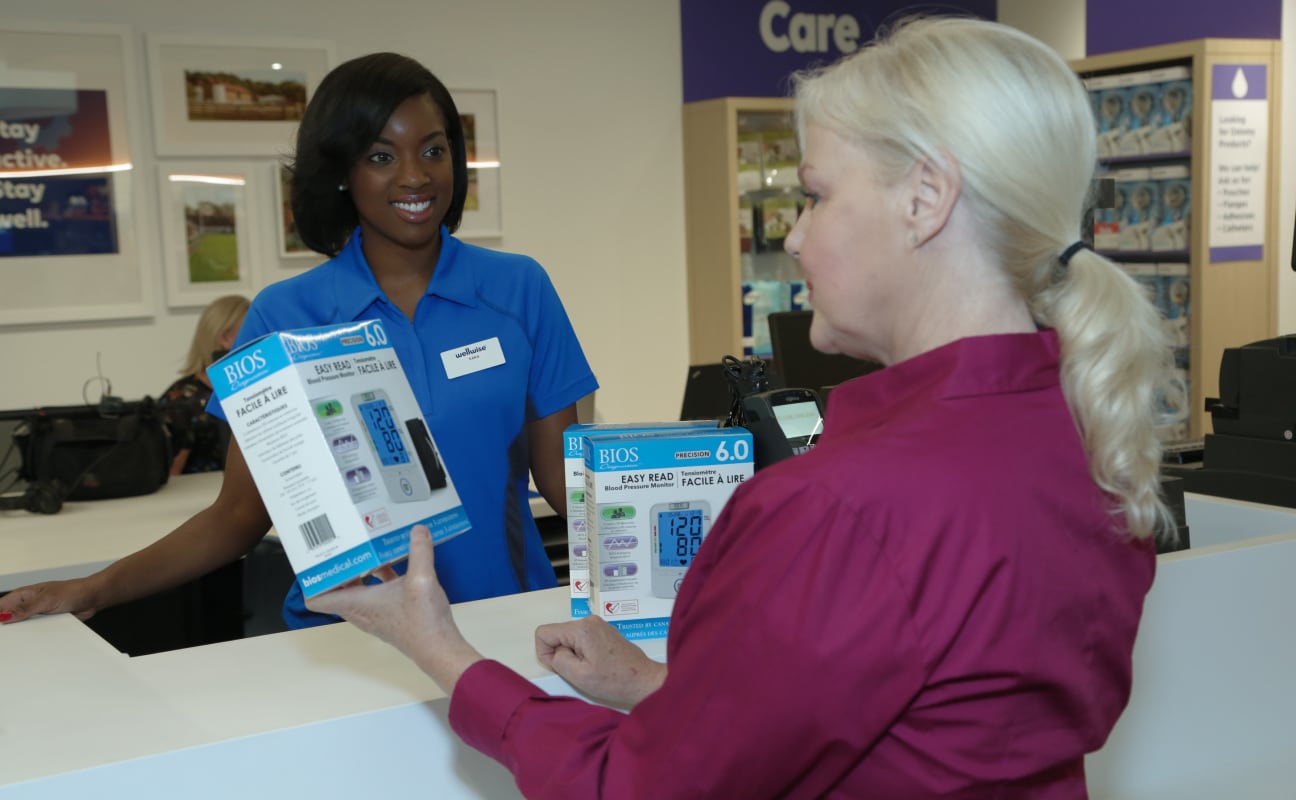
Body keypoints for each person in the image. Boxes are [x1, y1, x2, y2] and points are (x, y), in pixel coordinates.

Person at [304, 17, 1182, 797]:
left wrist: (441, 654)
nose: (795, 234)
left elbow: (635, 787)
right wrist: (663, 688)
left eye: (817, 195)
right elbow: (922, 719)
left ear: (926, 198)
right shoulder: (1084, 430)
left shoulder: (838, 507)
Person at [0, 52, 596, 630]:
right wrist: (94, 589)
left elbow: (564, 485)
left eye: (434, 150)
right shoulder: (286, 317)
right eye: (381, 155)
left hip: (506, 626)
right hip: (352, 643)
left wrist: (678, 546)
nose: (415, 175)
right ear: (341, 173)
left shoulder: (519, 290)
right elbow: (237, 516)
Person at [158, 294, 250, 476]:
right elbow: (169, 477)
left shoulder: (251, 390)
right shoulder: (182, 401)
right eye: (251, 331)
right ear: (225, 338)